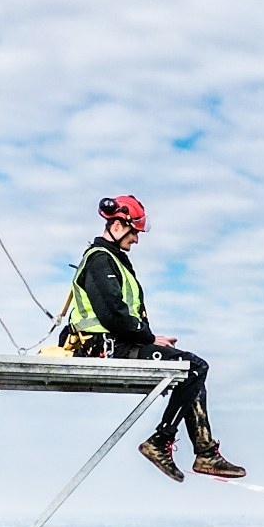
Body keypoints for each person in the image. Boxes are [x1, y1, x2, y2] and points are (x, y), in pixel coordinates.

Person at [65, 194, 245, 484]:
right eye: (134, 230)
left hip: (118, 345)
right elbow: (113, 315)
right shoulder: (100, 261)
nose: (136, 239)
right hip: (107, 348)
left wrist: (150, 340)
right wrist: (149, 338)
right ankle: (167, 443)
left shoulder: (112, 261)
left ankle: (204, 451)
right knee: (194, 367)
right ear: (118, 225)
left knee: (193, 369)